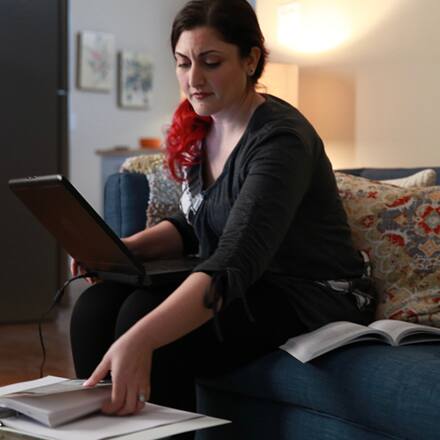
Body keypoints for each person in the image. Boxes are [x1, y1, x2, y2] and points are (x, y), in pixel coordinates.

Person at [70, 0, 375, 429]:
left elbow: (233, 260)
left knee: (142, 318)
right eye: (182, 63)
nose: (193, 80)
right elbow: (193, 223)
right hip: (248, 280)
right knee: (95, 306)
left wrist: (139, 340)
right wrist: (121, 250)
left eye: (210, 63)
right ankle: (103, 432)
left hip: (306, 291)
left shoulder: (281, 140)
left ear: (251, 60)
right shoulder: (205, 124)